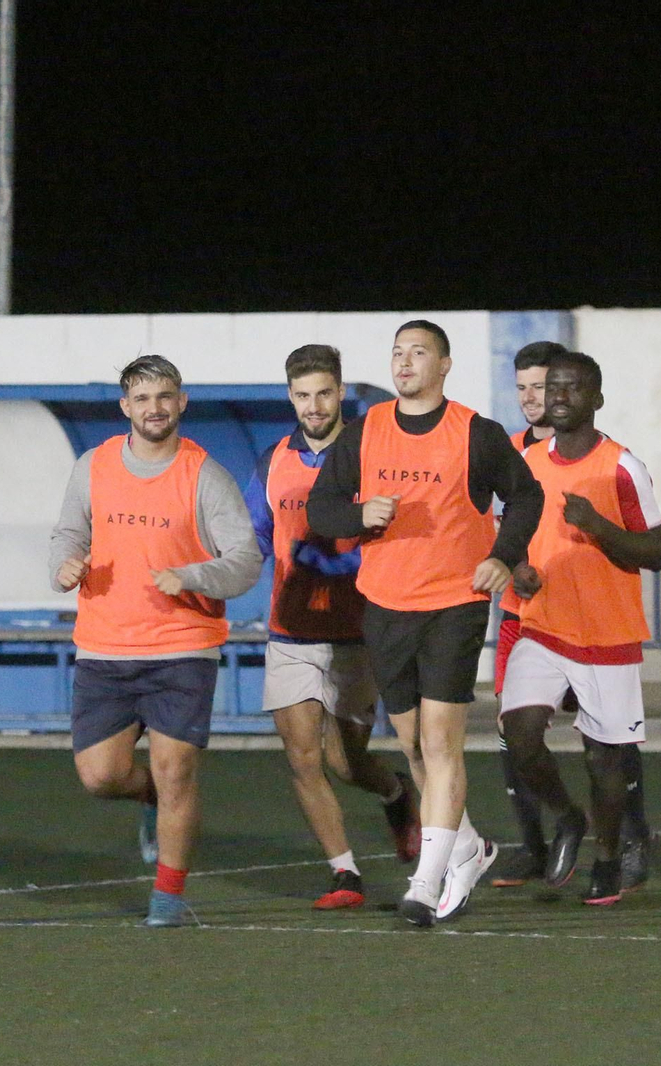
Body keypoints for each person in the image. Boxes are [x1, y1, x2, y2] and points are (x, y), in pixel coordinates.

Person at [309, 320, 544, 926]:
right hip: (386, 605)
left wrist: (501, 555)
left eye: (419, 352)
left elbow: (527, 497)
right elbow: (322, 508)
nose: (405, 362)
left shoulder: (478, 435)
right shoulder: (365, 431)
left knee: (440, 744)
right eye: (397, 352)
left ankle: (426, 880)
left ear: (444, 366)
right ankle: (470, 848)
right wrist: (361, 512)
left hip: (453, 604)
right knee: (412, 744)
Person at [49, 355, 261, 927]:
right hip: (104, 648)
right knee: (100, 776)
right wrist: (64, 565)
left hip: (182, 646)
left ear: (181, 401)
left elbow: (246, 560)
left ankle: (167, 897)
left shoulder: (204, 474)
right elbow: (69, 531)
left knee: (175, 771)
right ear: (125, 407)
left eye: (164, 397)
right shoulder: (92, 467)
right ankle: (152, 804)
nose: (155, 409)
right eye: (142, 399)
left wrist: (191, 576)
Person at [243, 344, 421, 909]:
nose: (314, 405)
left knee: (347, 763)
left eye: (324, 393)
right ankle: (345, 874)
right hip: (290, 631)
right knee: (302, 757)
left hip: (358, 631)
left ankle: (395, 793)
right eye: (302, 395)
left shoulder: (373, 452)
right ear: (290, 397)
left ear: (341, 392)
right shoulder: (273, 459)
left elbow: (400, 528)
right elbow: (251, 535)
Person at [489, 343, 655, 892]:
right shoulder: (528, 464)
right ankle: (566, 817)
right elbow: (509, 537)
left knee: (605, 761)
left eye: (571, 387)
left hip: (607, 633)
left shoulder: (623, 466)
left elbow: (655, 552)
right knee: (519, 730)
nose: (558, 396)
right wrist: (519, 570)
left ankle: (608, 860)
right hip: (543, 625)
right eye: (551, 386)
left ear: (597, 397)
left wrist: (599, 527)